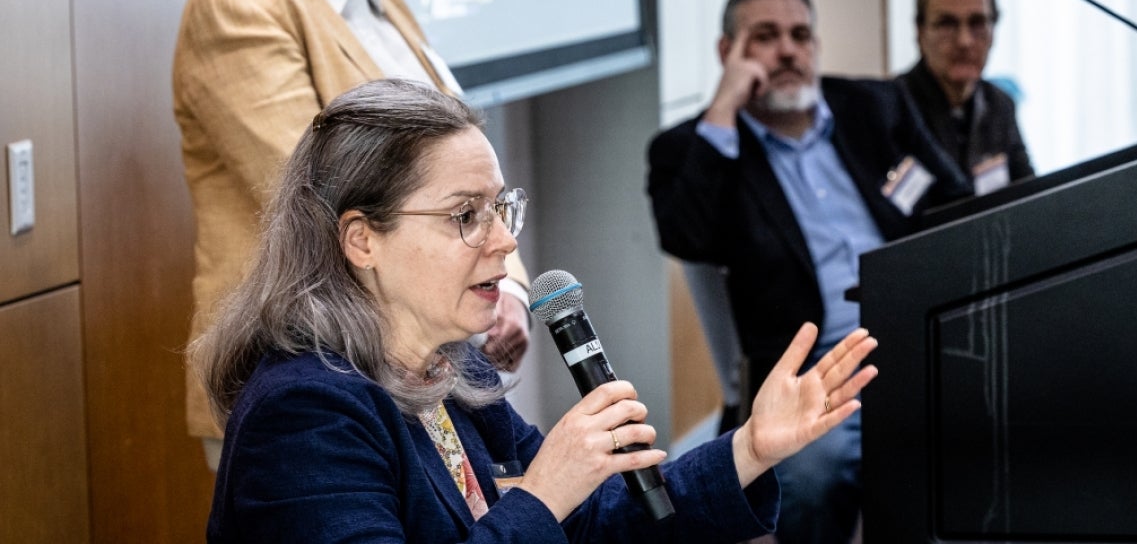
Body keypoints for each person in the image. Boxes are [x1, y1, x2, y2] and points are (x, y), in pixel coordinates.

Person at [190, 77, 879, 543]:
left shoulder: (450, 369)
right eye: (466, 216)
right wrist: (544, 493)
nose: (505, 240)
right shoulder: (305, 414)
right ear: (362, 239)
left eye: (499, 209)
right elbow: (549, 511)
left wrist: (750, 448)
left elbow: (597, 517)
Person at [172, 0, 530, 463]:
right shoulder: (234, 7)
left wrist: (508, 287)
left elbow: (453, 168)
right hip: (310, 381)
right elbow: (326, 197)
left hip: (409, 364)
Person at [646, 0, 970, 544]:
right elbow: (687, 236)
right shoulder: (693, 148)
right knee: (816, 480)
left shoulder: (875, 106)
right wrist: (723, 108)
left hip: (916, 339)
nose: (788, 50)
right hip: (809, 373)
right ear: (729, 52)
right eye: (765, 37)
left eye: (800, 35)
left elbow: (956, 201)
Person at [895, 0, 1034, 194]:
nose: (964, 41)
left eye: (977, 23)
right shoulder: (891, 109)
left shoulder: (1000, 104)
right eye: (947, 24)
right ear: (920, 32)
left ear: (993, 32)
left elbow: (1031, 199)